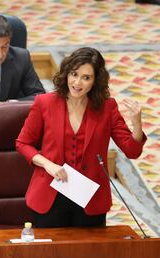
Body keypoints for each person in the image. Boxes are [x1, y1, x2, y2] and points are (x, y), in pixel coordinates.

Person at [16, 47, 146, 228]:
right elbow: (23, 143)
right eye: (74, 74)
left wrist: (137, 125)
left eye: (86, 77)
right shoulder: (45, 103)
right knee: (49, 255)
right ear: (67, 73)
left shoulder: (107, 107)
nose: (77, 82)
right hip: (50, 193)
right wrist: (48, 164)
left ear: (96, 81)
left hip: (90, 197)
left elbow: (132, 151)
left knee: (87, 255)